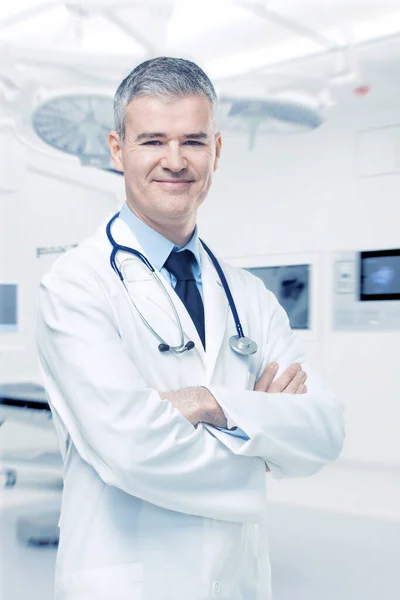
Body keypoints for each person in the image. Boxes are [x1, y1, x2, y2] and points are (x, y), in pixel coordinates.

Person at [35, 57, 345, 600]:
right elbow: (131, 447)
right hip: (124, 582)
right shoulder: (75, 285)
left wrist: (207, 402)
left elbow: (323, 429)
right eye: (153, 141)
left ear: (217, 151)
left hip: (237, 581)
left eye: (194, 142)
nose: (175, 161)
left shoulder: (248, 294)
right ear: (117, 149)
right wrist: (261, 434)